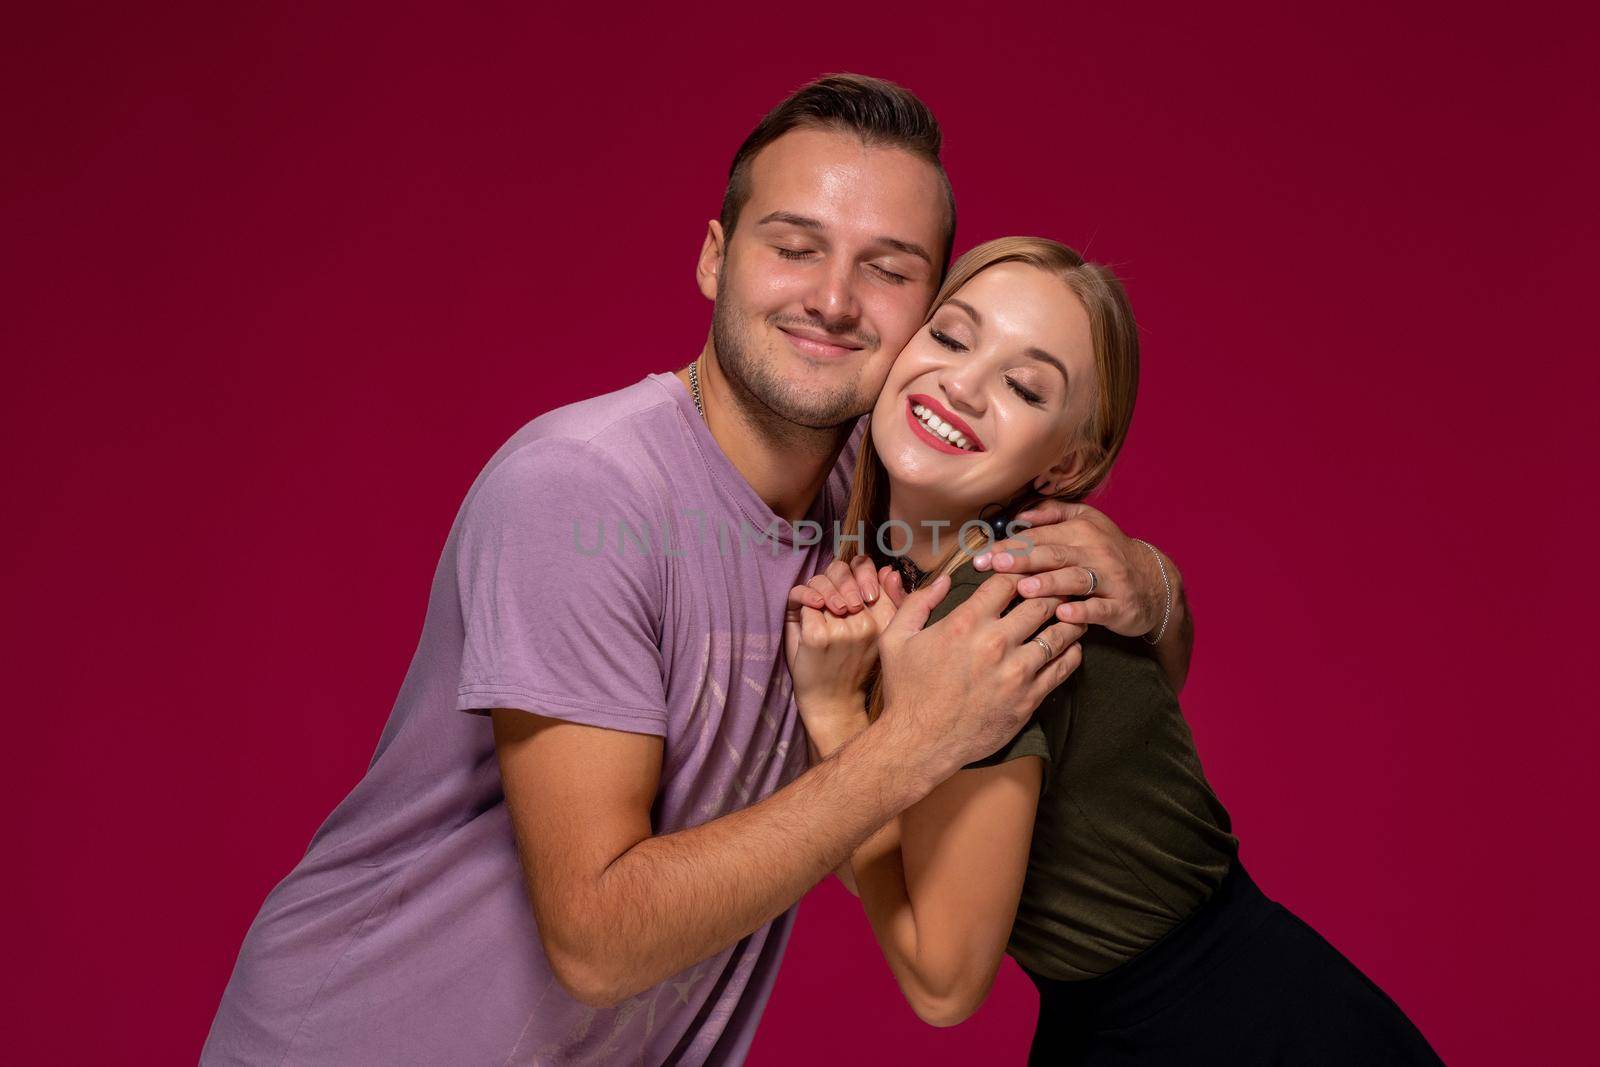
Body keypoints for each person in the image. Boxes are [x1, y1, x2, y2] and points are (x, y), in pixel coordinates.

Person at [200, 77, 1192, 1066]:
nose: (834, 299)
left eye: (886, 270)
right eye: (794, 247)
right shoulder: (583, 490)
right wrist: (915, 741)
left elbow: (1108, 668)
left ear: (929, 313)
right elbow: (597, 938)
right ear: (716, 258)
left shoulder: (890, 492)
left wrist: (1151, 583)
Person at [786, 236, 1443, 1064]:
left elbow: (942, 985)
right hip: (1113, 1021)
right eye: (951, 336)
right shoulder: (913, 571)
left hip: (1234, 1034)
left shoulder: (994, 614)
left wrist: (837, 715)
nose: (963, 384)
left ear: (1067, 463)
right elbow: (898, 862)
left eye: (1024, 387)